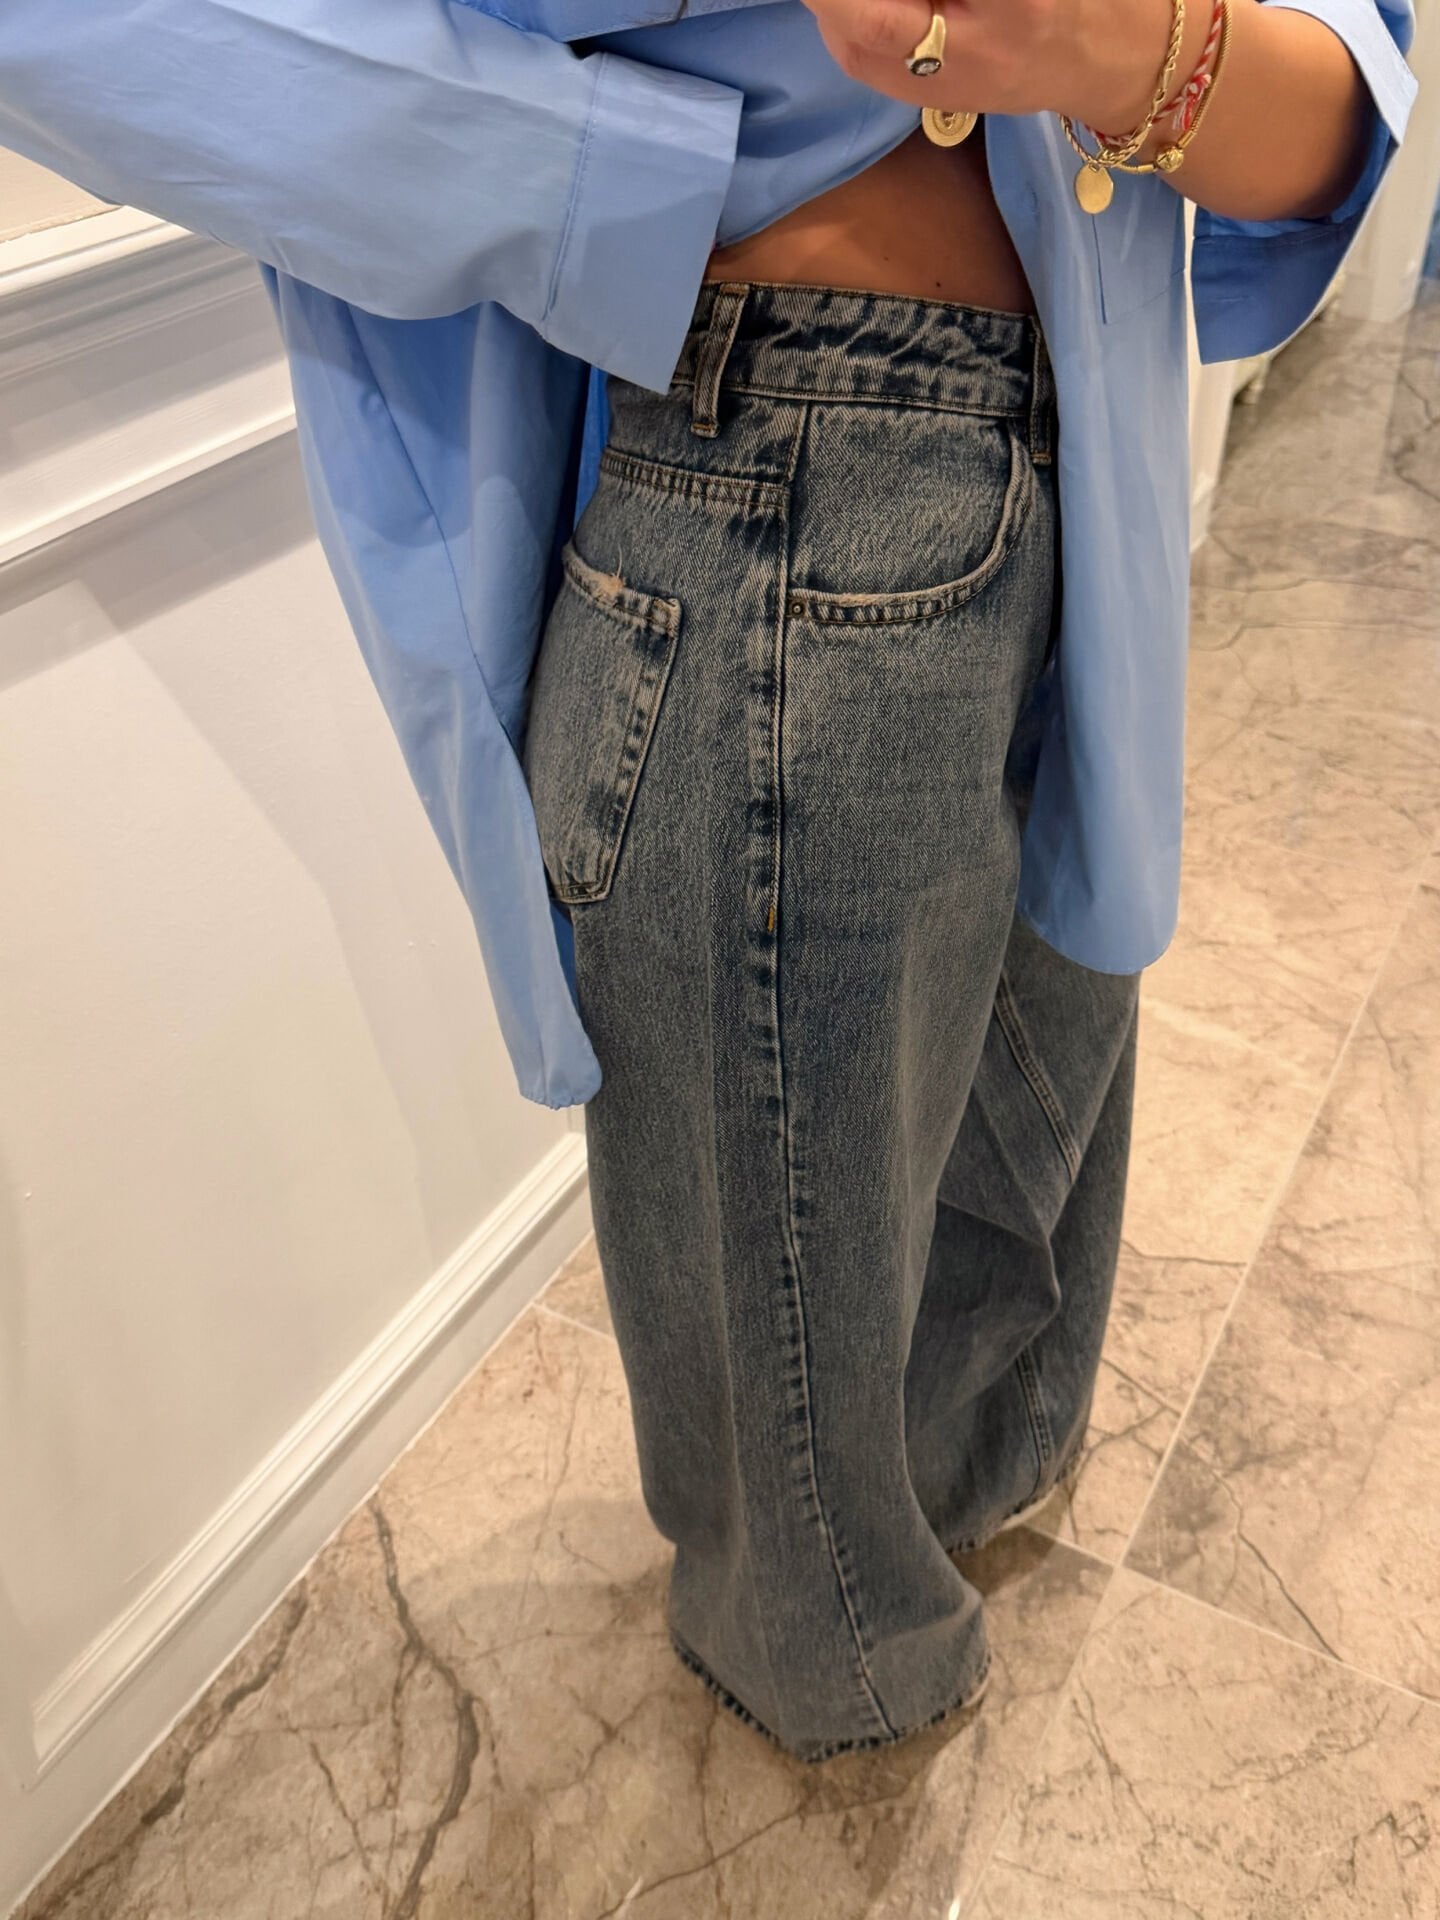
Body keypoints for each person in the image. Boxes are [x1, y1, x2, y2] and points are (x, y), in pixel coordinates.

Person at [0, 0, 1416, 1762]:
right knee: (797, 1383)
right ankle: (850, 1709)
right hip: (777, 461)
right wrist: (597, 184)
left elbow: (1340, 101)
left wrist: (1108, 48)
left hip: (1083, 438)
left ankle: (963, 1508)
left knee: (1023, 1140)